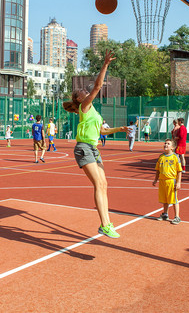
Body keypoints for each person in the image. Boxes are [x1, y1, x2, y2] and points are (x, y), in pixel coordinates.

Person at [63, 50, 130, 239]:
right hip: (84, 148)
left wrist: (120, 129)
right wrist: (106, 64)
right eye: (82, 91)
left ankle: (106, 223)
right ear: (79, 99)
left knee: (104, 184)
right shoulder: (85, 107)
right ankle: (105, 224)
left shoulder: (94, 112)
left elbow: (102, 131)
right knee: (99, 183)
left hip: (94, 148)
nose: (86, 90)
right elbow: (98, 86)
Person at [152, 139, 183, 225]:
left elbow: (179, 171)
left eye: (168, 144)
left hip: (171, 181)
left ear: (172, 147)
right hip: (162, 181)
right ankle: (165, 214)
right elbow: (157, 170)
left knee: (173, 199)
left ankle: (177, 216)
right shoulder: (161, 157)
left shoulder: (175, 157)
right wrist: (155, 179)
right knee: (164, 199)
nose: (165, 145)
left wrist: (178, 182)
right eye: (165, 143)